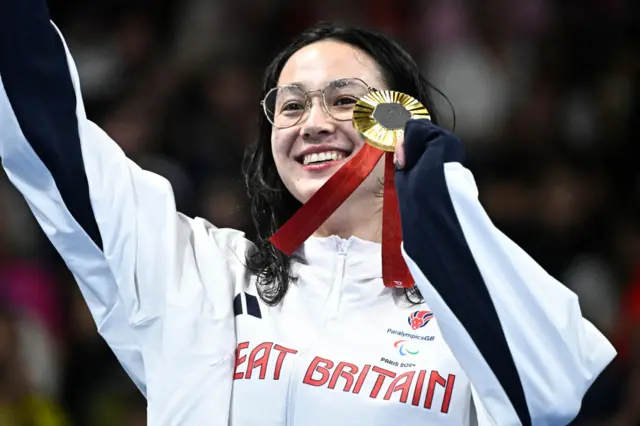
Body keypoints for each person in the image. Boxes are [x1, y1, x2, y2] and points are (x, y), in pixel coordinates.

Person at [0, 1, 616, 425]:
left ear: (400, 119)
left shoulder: (469, 309)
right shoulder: (199, 273)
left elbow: (559, 396)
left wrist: (442, 208)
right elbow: (49, 131)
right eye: (290, 106)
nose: (313, 122)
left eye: (344, 100)